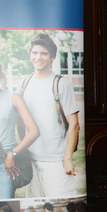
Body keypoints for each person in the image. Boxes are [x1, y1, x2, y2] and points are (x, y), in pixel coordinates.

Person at [17, 33, 80, 198]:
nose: (38, 57)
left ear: (52, 57)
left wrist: (67, 159)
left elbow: (74, 124)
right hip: (31, 160)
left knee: (61, 208)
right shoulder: (23, 84)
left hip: (55, 161)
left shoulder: (61, 84)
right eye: (35, 53)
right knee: (36, 211)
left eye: (44, 53)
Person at [0, 60, 39, 199]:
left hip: (5, 161)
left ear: (1, 75)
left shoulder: (13, 98)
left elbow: (34, 131)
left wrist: (12, 154)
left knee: (4, 205)